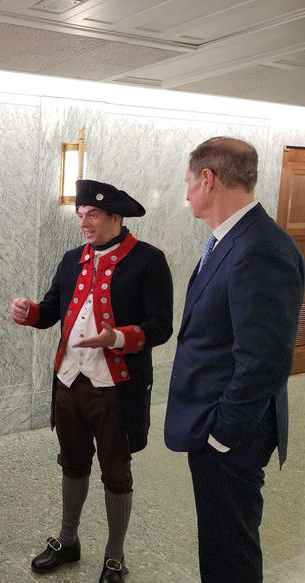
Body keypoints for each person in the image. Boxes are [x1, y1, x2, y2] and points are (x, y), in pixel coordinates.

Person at [11, 180, 173, 583]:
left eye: (93, 215)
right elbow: (52, 310)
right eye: (81, 215)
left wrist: (117, 337)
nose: (84, 223)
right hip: (68, 382)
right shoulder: (71, 259)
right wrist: (29, 311)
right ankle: (68, 540)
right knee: (72, 462)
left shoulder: (149, 260)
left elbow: (162, 326)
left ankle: (114, 556)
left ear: (116, 217)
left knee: (116, 472)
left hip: (116, 388)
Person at [164, 137, 305, 583]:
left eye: (189, 182)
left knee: (231, 549)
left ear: (208, 179)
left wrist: (222, 436)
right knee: (220, 540)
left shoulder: (260, 247)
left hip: (230, 434)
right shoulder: (231, 240)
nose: (186, 193)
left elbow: (264, 361)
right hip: (211, 420)